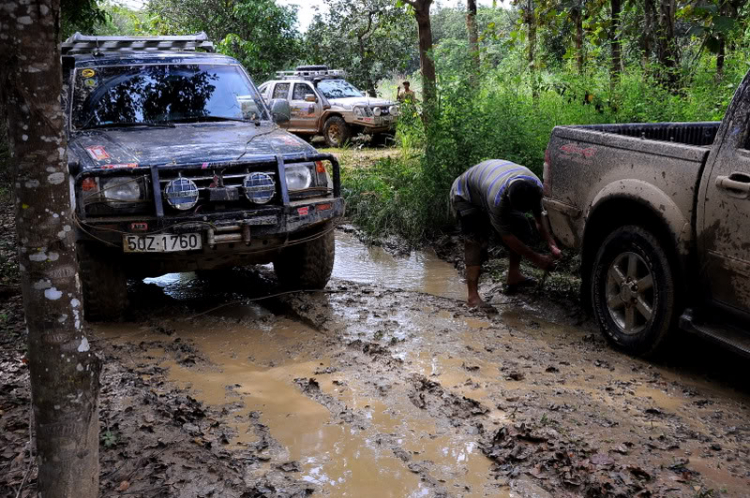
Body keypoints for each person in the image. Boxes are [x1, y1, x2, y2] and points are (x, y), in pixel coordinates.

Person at [450, 160, 562, 310]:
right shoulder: (496, 199)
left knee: (520, 224)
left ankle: (513, 275)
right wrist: (538, 259)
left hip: (489, 182)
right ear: (508, 200)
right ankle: (472, 297)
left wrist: (551, 244)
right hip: (465, 194)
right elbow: (507, 236)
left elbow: (539, 220)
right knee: (475, 239)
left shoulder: (535, 188)